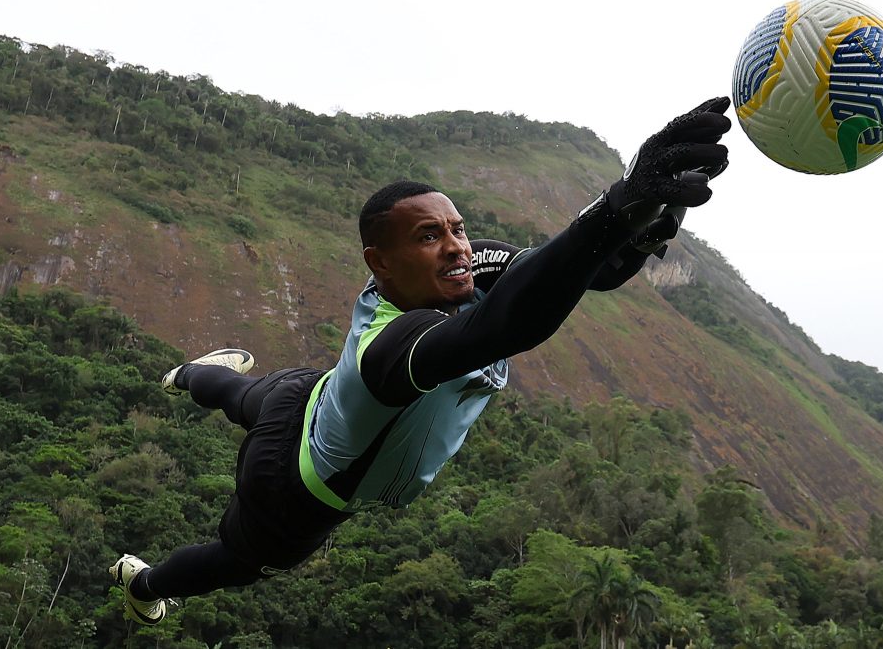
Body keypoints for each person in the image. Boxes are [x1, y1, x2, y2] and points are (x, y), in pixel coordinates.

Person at [109, 97, 732, 625]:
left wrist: (641, 220)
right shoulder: (391, 349)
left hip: (310, 398)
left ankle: (188, 373)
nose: (457, 248)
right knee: (236, 562)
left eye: (457, 228)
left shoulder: (459, 271)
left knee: (247, 396)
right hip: (293, 490)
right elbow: (510, 322)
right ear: (380, 261)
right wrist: (615, 204)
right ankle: (142, 587)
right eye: (429, 236)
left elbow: (570, 273)